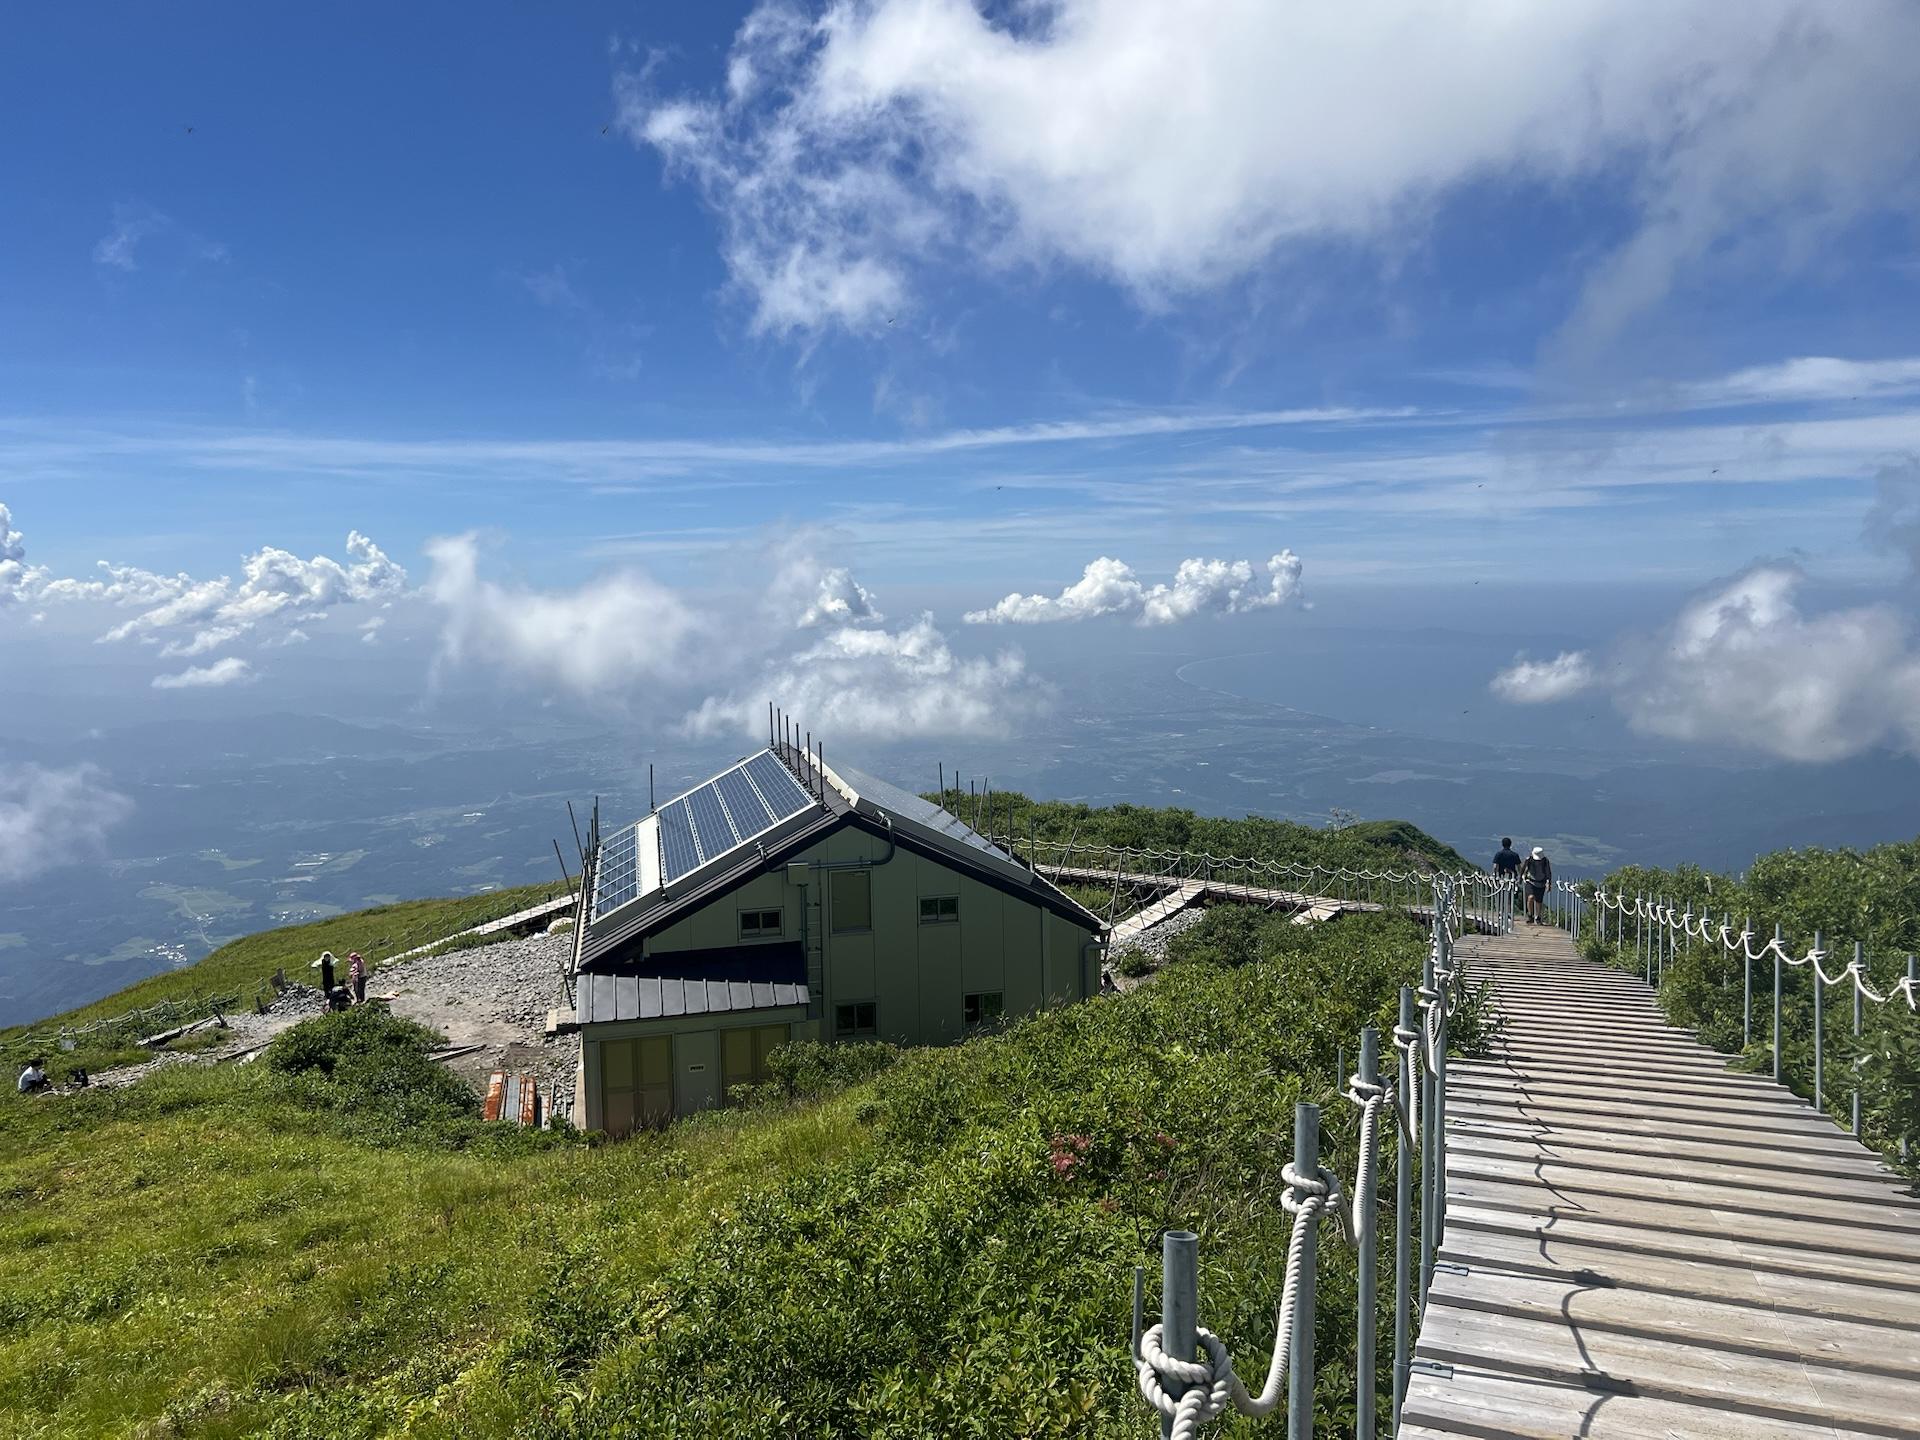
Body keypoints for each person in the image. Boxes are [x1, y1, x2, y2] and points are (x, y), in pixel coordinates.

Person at [1521, 845, 1552, 924]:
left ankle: (1537, 917)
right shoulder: (1529, 860)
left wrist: (1549, 883)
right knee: (1530, 897)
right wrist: (1521, 878)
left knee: (1539, 901)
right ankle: (1530, 915)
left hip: (1541, 882)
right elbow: (1523, 868)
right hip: (1530, 881)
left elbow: (1548, 872)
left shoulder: (1545, 861)